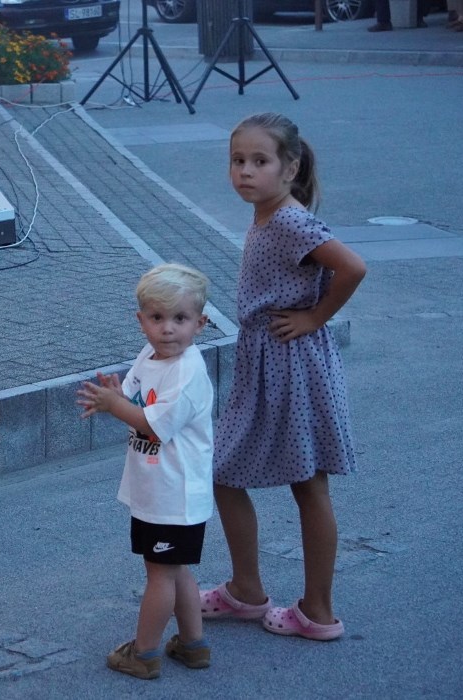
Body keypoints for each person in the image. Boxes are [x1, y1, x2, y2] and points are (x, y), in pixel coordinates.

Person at [199, 113, 366, 642]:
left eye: (259, 161)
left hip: (293, 364)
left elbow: (353, 267)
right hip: (269, 360)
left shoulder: (291, 221)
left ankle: (317, 611)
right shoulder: (268, 215)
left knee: (306, 483)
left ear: (290, 168)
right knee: (228, 472)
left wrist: (315, 317)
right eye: (237, 161)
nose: (245, 171)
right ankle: (247, 590)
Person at [77, 263, 215, 680]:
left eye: (180, 318)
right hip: (157, 490)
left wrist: (115, 406)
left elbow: (152, 425)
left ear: (200, 323)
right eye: (157, 318)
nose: (168, 329)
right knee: (174, 569)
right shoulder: (150, 355)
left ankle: (145, 653)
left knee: (160, 575)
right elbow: (134, 397)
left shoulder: (187, 373)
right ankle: (193, 645)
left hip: (175, 495)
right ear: (141, 321)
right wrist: (117, 396)